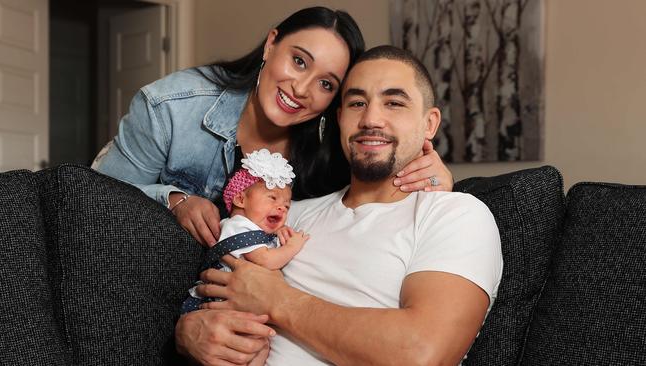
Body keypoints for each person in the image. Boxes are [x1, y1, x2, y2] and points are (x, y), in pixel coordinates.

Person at [176, 46, 503, 366]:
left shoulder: (456, 216)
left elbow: (421, 354)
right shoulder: (290, 214)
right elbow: (218, 284)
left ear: (429, 123)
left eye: (394, 103)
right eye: (358, 102)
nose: (371, 118)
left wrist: (277, 299)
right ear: (340, 118)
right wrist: (188, 333)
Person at [92, 7, 454, 248]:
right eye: (299, 61)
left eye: (326, 84)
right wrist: (173, 200)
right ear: (271, 44)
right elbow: (92, 201)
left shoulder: (334, 148)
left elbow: (373, 199)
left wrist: (433, 179)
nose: (301, 89)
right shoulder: (170, 106)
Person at [181, 149, 309, 315]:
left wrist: (278, 232)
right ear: (240, 199)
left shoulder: (253, 229)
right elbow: (264, 260)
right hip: (219, 301)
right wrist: (291, 247)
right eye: (272, 198)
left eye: (287, 206)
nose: (281, 208)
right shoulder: (237, 225)